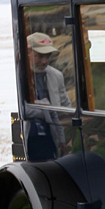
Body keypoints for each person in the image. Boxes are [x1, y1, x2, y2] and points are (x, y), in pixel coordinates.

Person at [24, 32, 71, 160]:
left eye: (47, 56)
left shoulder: (56, 76)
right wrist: (47, 108)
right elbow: (20, 110)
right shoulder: (18, 77)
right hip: (27, 141)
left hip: (50, 141)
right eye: (39, 56)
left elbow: (65, 107)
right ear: (27, 52)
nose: (44, 61)